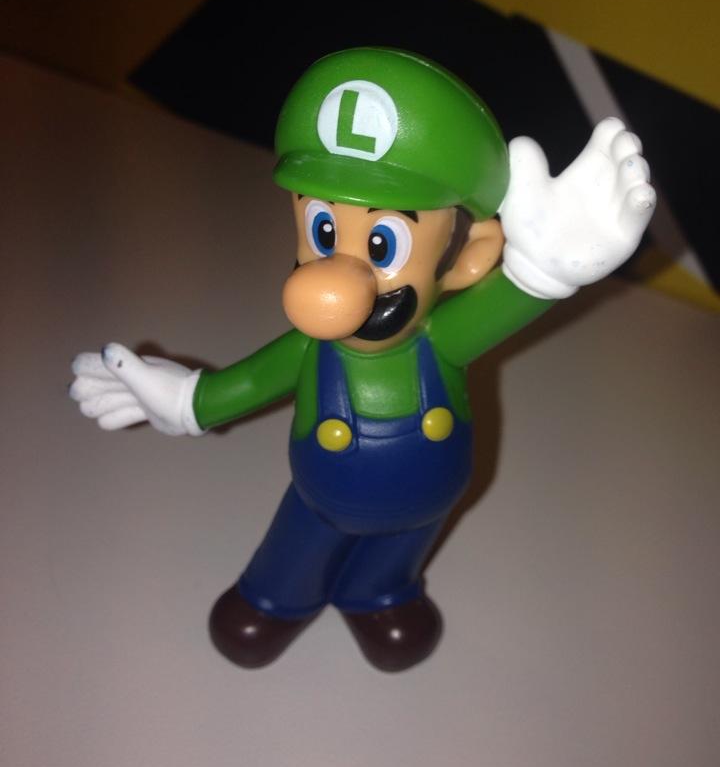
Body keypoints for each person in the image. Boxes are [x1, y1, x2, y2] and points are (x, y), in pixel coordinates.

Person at [70, 48, 655, 671]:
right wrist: (186, 403)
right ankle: (276, 598)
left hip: (427, 503)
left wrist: (547, 271)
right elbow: (248, 382)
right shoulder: (310, 349)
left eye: (381, 242)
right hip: (321, 499)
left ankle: (378, 592)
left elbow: (515, 300)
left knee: (401, 549)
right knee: (295, 549)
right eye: (323, 232)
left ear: (468, 257)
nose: (337, 277)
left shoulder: (443, 339)